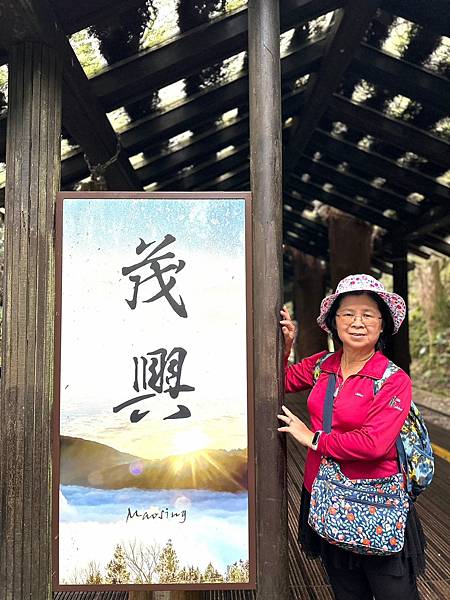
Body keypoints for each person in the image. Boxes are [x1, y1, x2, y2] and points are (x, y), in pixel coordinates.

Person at [277, 273, 426, 600]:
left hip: (376, 501)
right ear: (334, 322)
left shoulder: (393, 379)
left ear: (382, 324)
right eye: (348, 313)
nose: (357, 322)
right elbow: (280, 381)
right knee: (347, 593)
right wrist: (286, 346)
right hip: (327, 495)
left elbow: (374, 445)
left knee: (394, 593)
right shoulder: (322, 365)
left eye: (368, 314)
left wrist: (313, 438)